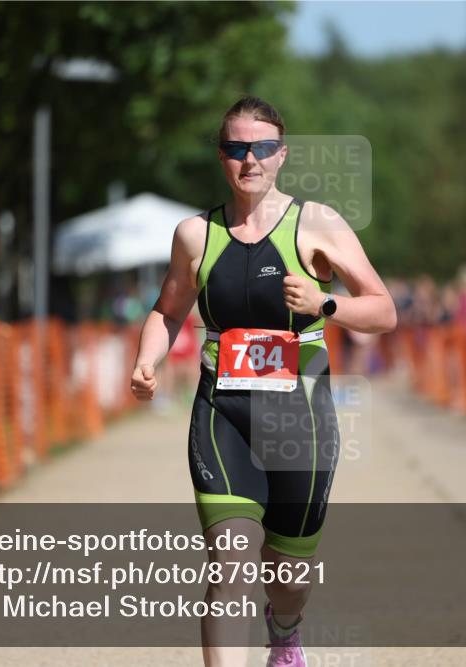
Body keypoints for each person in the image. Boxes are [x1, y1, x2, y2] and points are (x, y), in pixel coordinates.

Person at [129, 96, 397, 667]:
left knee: (287, 570)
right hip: (222, 409)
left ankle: (285, 630)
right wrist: (147, 358)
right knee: (229, 562)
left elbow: (383, 311)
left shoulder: (317, 223)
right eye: (235, 149)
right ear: (221, 156)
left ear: (282, 154)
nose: (249, 160)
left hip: (300, 417)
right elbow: (167, 309)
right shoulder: (193, 235)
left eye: (262, 148)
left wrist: (326, 303)